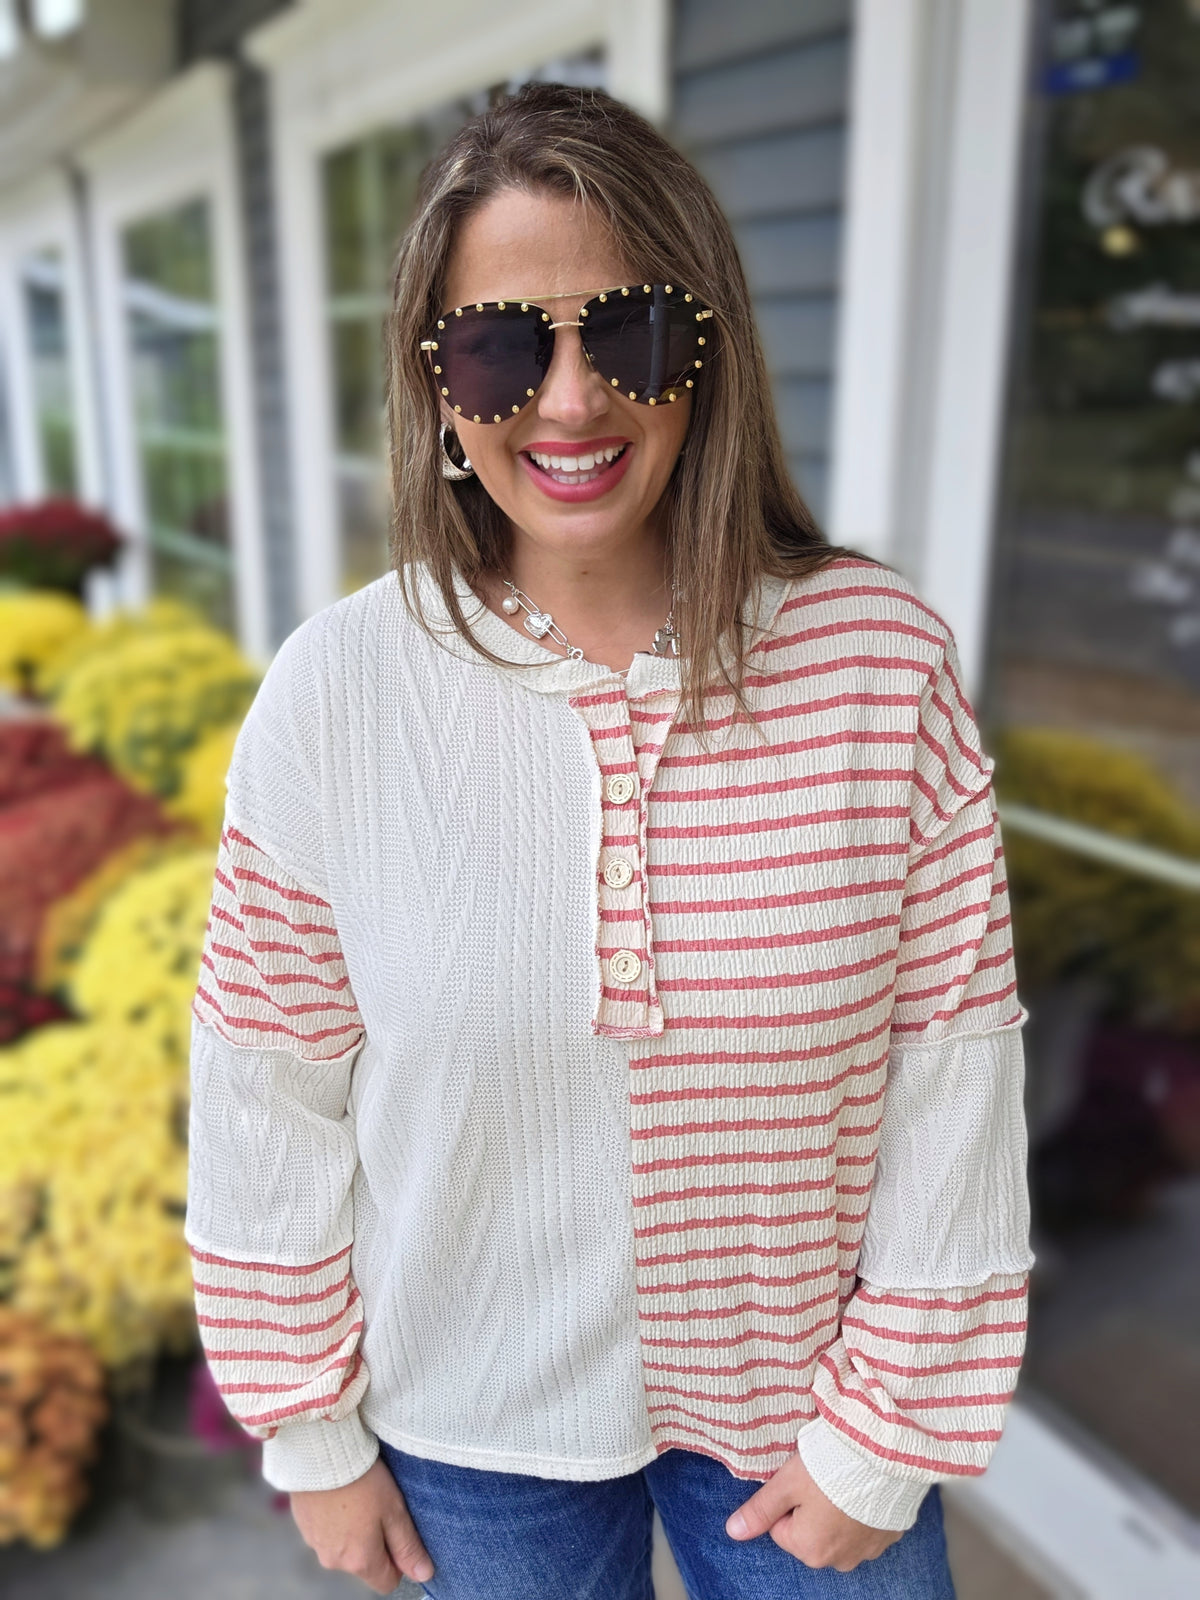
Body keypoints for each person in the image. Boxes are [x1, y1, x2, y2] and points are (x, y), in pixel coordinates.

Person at [185, 83, 1034, 1599]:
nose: (570, 400)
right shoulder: (339, 691)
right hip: (467, 1424)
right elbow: (268, 1082)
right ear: (437, 383)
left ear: (709, 355)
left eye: (630, 334)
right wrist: (310, 1431)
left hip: (810, 1413)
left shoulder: (877, 660)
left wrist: (889, 1427)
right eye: (501, 346)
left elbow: (951, 1059)